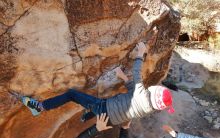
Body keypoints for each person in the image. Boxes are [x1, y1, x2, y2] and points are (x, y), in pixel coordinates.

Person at [15, 41, 175, 125]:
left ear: (153, 94)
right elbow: (134, 92)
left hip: (105, 108)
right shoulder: (149, 107)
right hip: (114, 118)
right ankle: (86, 117)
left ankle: (40, 107)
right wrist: (122, 77)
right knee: (99, 105)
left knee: (72, 94)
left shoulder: (143, 95)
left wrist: (140, 54)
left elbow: (137, 75)